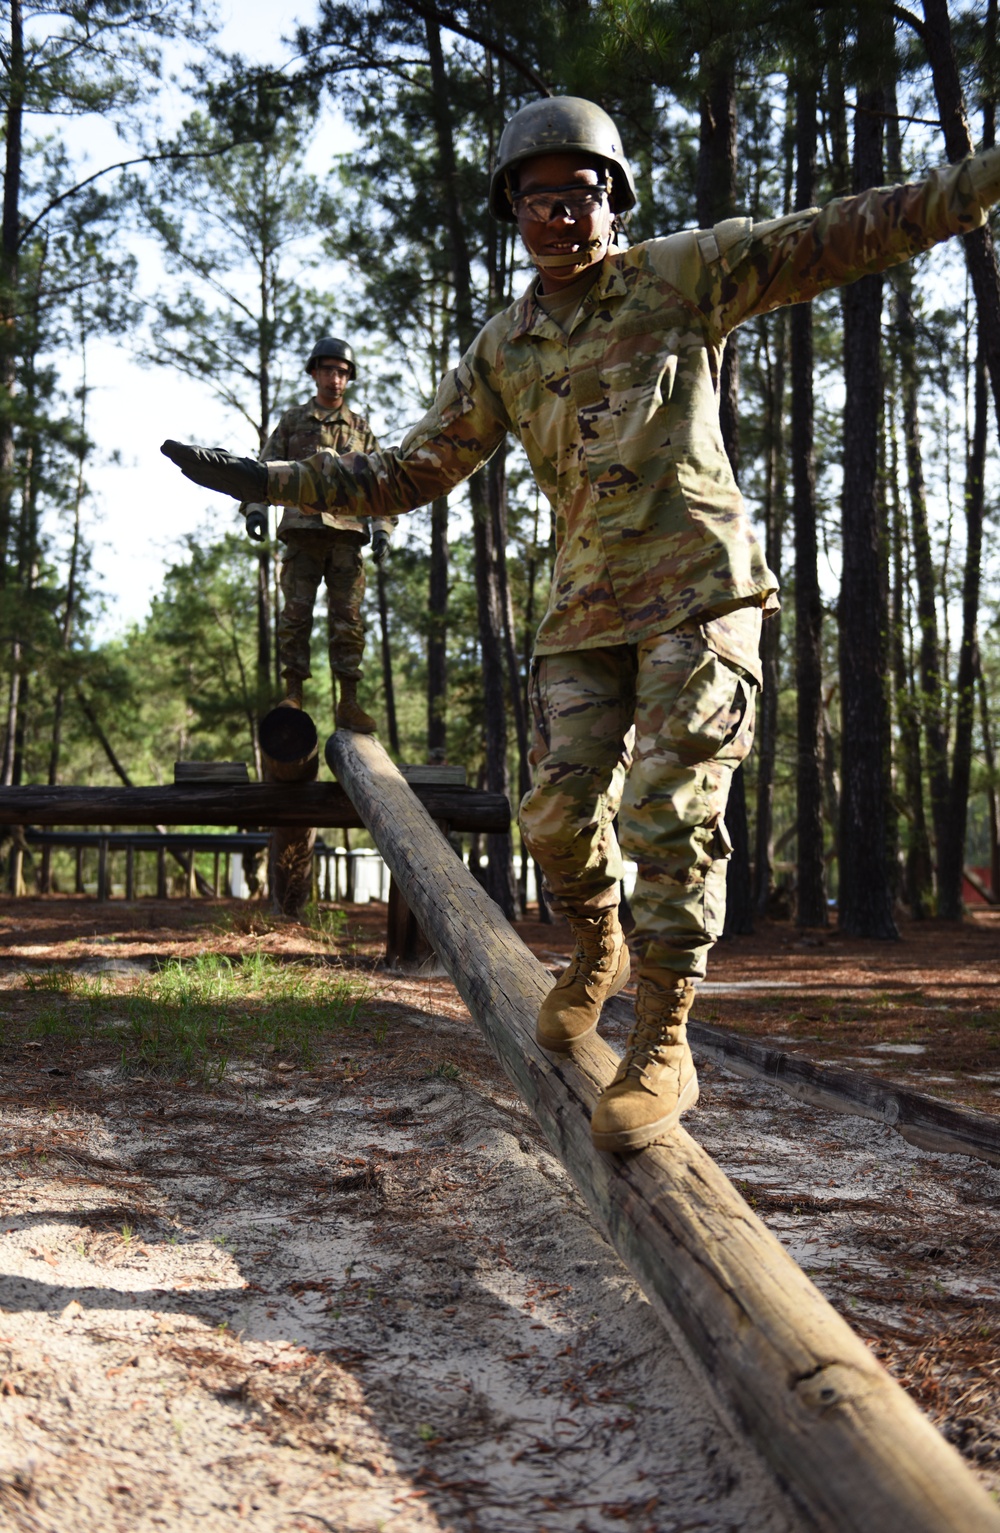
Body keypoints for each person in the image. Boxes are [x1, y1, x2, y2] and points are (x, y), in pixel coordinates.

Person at [162, 97, 1000, 1153]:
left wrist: (976, 182)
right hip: (585, 609)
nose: (560, 216)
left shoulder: (678, 275)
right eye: (538, 198)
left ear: (613, 199)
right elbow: (406, 470)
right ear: (511, 210)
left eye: (581, 194)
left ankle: (662, 1037)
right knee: (555, 821)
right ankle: (595, 945)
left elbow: (839, 232)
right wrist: (268, 477)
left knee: (664, 813)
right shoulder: (505, 346)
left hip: (699, 587)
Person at [244, 336, 394, 731]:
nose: (335, 379)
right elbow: (264, 469)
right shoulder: (293, 422)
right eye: (328, 370)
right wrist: (256, 508)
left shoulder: (361, 429)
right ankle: (293, 694)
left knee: (348, 621)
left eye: (343, 372)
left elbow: (381, 483)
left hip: (346, 537)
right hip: (302, 533)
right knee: (295, 617)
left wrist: (382, 528)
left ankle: (349, 701)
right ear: (314, 373)